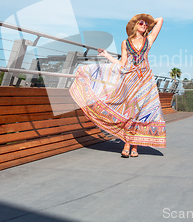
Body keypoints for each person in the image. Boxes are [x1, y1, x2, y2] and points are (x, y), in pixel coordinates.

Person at [69, 14, 166, 157]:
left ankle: (134, 147)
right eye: (141, 23)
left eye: (146, 24)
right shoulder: (125, 43)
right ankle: (127, 143)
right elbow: (122, 63)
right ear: (135, 25)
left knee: (141, 112)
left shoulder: (149, 40)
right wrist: (107, 55)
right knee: (130, 110)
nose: (144, 25)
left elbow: (160, 20)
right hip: (130, 79)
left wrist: (147, 19)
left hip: (146, 80)